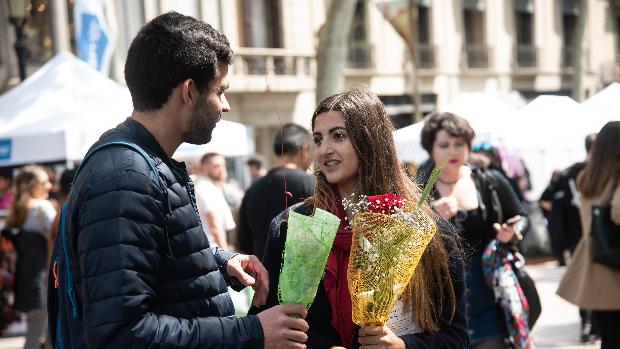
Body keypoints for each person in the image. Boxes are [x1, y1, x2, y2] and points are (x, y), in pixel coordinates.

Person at [49, 12, 309, 348]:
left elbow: (153, 260)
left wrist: (219, 263)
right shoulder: (126, 176)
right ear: (188, 92)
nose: (225, 106)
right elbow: (120, 334)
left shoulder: (141, 162)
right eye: (220, 91)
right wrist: (252, 332)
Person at [251, 89, 469, 348]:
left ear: (370, 140)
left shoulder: (421, 229)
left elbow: (456, 336)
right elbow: (267, 322)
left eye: (338, 136)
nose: (324, 150)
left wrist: (403, 346)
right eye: (318, 139)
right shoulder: (293, 226)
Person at [417, 111, 528, 349]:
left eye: (459, 144)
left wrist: (511, 232)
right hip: (440, 292)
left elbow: (521, 215)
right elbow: (404, 234)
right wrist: (431, 216)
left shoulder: (489, 180)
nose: (453, 151)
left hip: (486, 288)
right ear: (431, 148)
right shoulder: (417, 185)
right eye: (444, 144)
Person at [557, 121, 620, 349]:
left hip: (597, 262)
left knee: (609, 338)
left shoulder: (588, 177)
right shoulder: (616, 179)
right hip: (615, 270)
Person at [237, 123, 315, 257]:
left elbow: (244, 243)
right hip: (301, 275)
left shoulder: (252, 190)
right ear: (304, 149)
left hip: (262, 273)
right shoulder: (311, 184)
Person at [3, 165, 56, 349]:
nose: (50, 185)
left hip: (27, 278)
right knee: (43, 330)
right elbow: (59, 235)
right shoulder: (42, 208)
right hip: (45, 277)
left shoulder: (17, 213)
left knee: (40, 328)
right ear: (32, 186)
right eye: (44, 182)